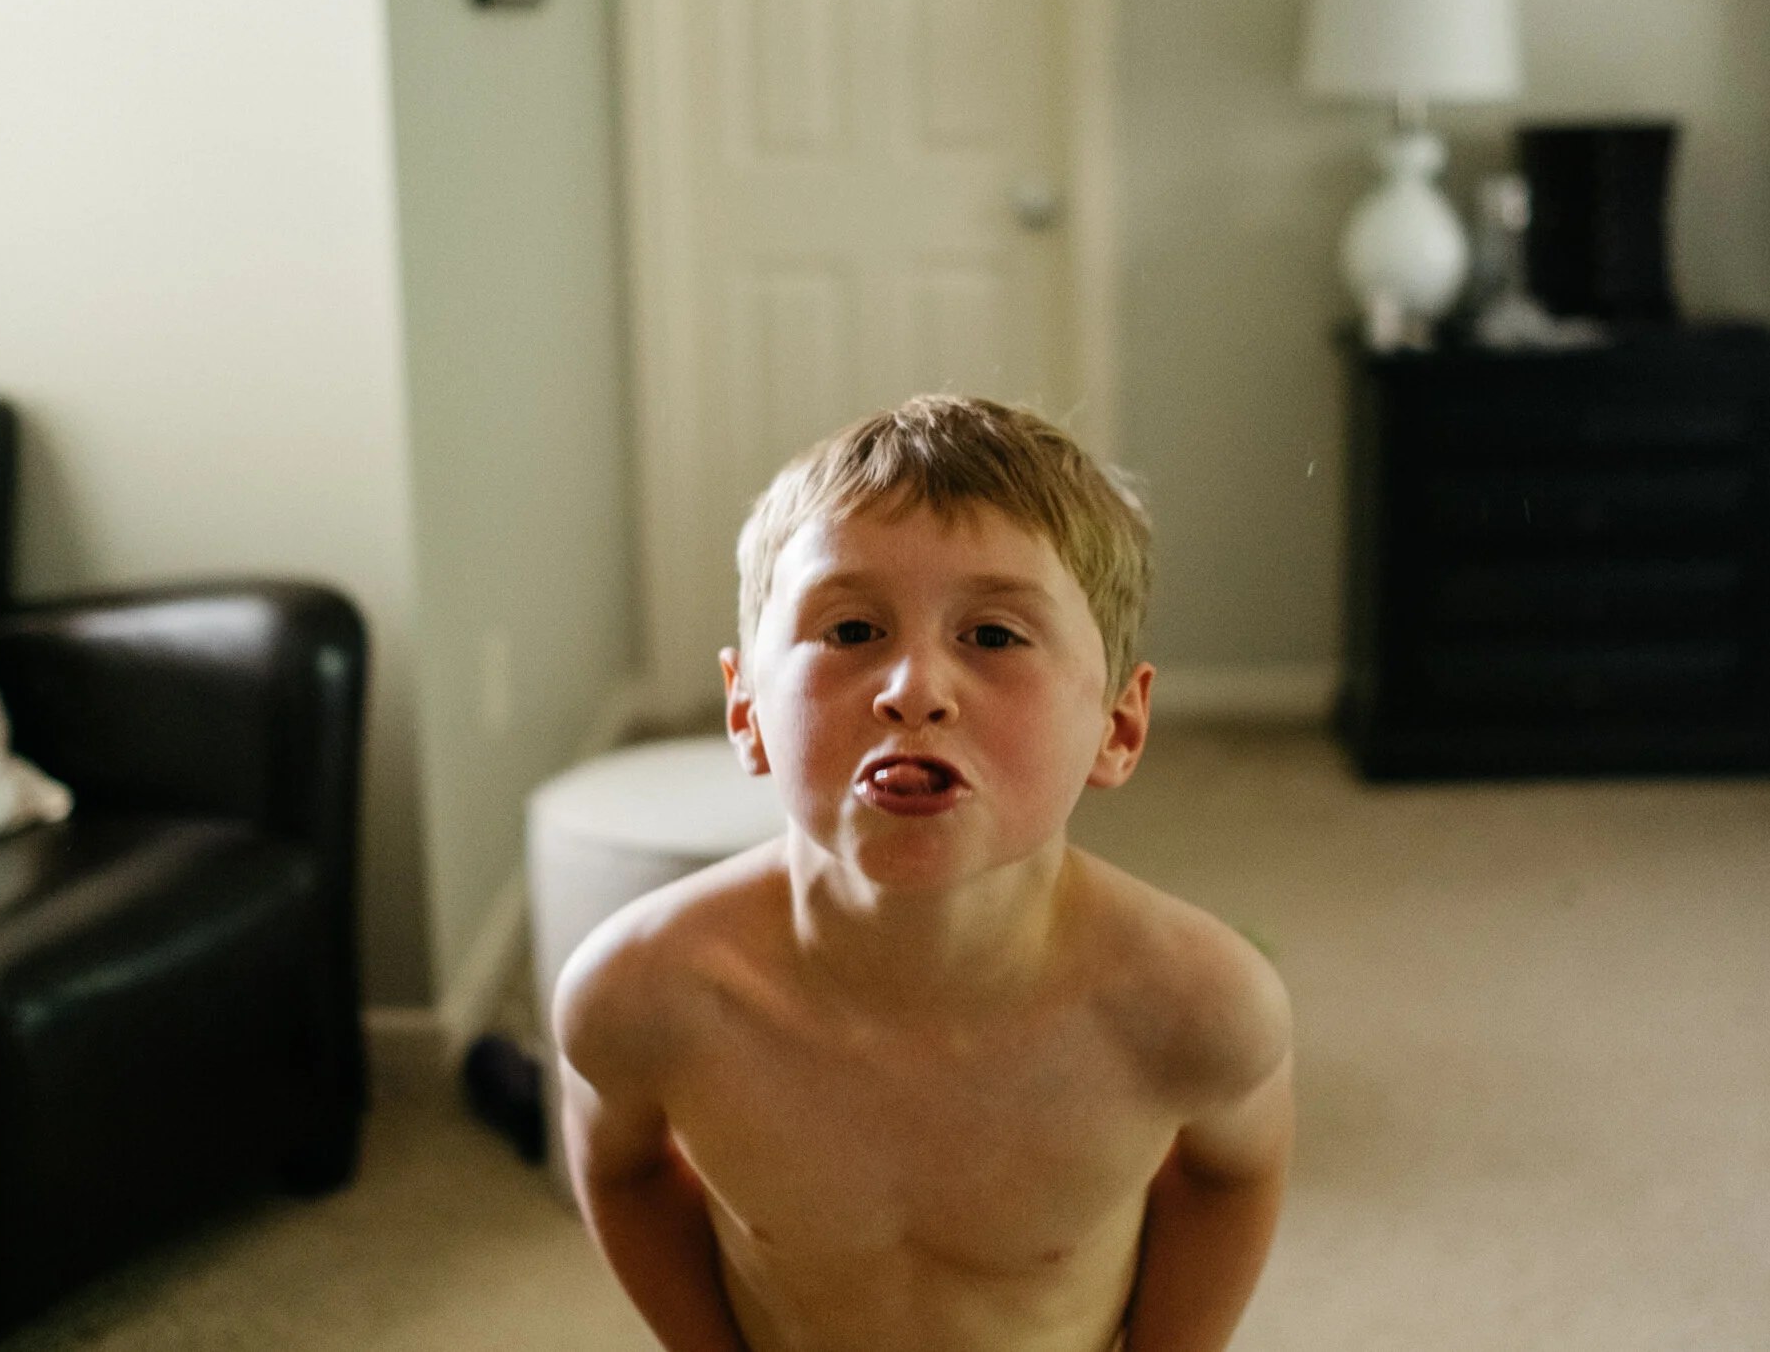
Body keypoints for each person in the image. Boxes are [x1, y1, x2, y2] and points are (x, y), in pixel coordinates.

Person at [554, 395, 1293, 1352]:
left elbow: (1235, 1172)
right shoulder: (640, 992)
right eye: (852, 631)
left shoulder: (1200, 1005)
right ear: (745, 711)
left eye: (992, 636)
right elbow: (621, 1170)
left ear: (1118, 726)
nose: (913, 689)